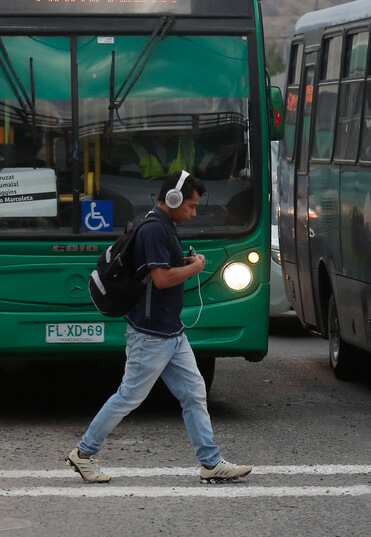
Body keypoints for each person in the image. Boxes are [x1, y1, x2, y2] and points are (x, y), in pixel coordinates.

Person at [67, 170, 252, 484]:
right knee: (129, 396)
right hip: (151, 334)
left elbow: (163, 271)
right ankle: (84, 453)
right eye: (191, 206)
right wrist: (195, 267)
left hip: (170, 331)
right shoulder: (154, 229)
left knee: (194, 394)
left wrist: (186, 263)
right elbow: (161, 278)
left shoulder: (162, 225)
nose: (193, 214)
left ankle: (210, 463)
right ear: (174, 199)